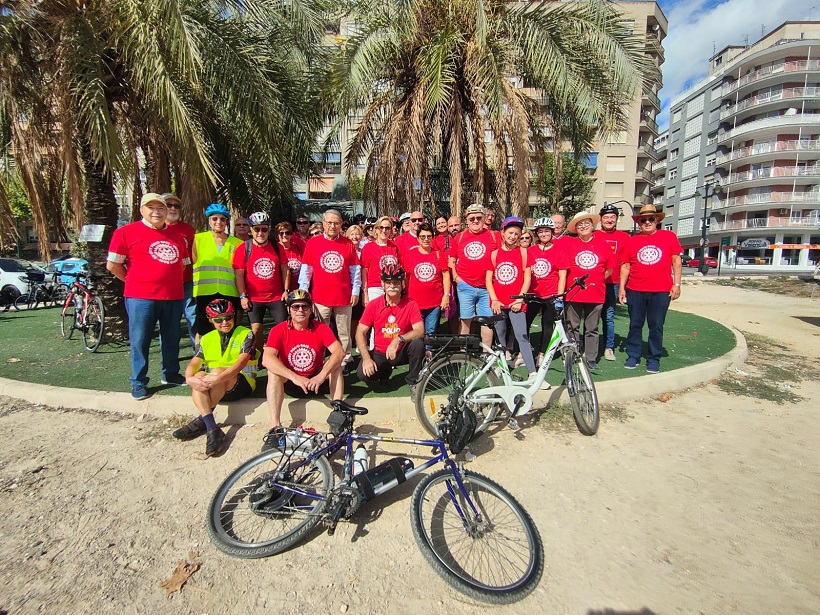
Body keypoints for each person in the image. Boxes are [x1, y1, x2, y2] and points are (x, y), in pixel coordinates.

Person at [106, 193, 190, 400]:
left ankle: (170, 374)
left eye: (161, 208)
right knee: (140, 339)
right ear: (142, 210)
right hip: (140, 297)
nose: (157, 212)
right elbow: (112, 265)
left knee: (171, 338)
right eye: (151, 208)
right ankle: (138, 381)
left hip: (172, 296)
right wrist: (133, 281)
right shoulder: (125, 232)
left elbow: (183, 264)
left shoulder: (177, 235)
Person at [173, 299, 258, 457]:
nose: (224, 322)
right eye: (218, 319)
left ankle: (202, 421)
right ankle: (212, 428)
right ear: (211, 320)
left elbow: (242, 362)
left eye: (228, 317)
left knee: (218, 372)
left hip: (242, 382)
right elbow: (194, 363)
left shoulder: (246, 333)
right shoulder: (206, 338)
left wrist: (218, 377)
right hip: (215, 384)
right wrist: (189, 378)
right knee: (198, 375)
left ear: (234, 316)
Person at [262, 290, 344, 452]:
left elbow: (339, 352)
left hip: (315, 379)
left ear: (311, 309)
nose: (300, 310)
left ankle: (337, 416)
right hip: (292, 381)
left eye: (305, 307)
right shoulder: (278, 330)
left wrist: (321, 376)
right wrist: (295, 378)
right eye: (295, 307)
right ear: (289, 309)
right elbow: (267, 359)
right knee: (273, 372)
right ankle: (275, 428)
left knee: (336, 366)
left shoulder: (321, 328)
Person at [619, 205, 683, 374]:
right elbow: (625, 266)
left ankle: (654, 358)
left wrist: (676, 284)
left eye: (651, 219)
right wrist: (621, 288)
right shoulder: (632, 241)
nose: (647, 222)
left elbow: (676, 261)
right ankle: (633, 355)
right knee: (635, 324)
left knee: (656, 325)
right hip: (635, 289)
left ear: (657, 221)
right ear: (639, 222)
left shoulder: (668, 237)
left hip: (661, 290)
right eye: (643, 220)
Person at [299, 209, 361, 373]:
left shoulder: (348, 244)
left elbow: (355, 271)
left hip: (344, 296)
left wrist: (355, 291)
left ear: (341, 224)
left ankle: (345, 359)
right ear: (323, 224)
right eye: (329, 223)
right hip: (319, 297)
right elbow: (306, 271)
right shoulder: (313, 243)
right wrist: (304, 293)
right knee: (319, 331)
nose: (332, 226)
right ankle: (320, 358)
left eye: (336, 223)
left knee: (344, 332)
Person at [557, 211, 615, 370]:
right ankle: (574, 353)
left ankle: (590, 357)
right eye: (579, 224)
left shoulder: (603, 243)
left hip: (596, 294)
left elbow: (610, 268)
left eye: (586, 223)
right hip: (573, 293)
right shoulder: (567, 242)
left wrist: (597, 279)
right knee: (572, 326)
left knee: (592, 328)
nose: (583, 227)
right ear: (575, 228)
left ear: (592, 225)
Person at [355, 265, 425, 397]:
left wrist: (398, 339)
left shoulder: (410, 303)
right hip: (381, 351)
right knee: (362, 374)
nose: (392, 286)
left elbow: (420, 330)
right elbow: (360, 332)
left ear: (402, 284)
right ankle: (384, 372)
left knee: (418, 344)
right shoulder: (374, 304)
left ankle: (414, 381)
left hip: (402, 350)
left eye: (396, 282)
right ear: (382, 284)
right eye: (388, 282)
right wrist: (366, 359)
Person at [486, 217, 540, 381]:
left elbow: (527, 279)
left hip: (517, 302)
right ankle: (502, 369)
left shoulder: (524, 253)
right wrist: (494, 299)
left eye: (517, 234)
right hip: (499, 302)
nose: (513, 236)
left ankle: (532, 372)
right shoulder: (494, 254)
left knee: (522, 336)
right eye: (510, 232)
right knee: (500, 336)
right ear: (503, 233)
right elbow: (489, 280)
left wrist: (520, 299)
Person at [233, 211, 290, 354]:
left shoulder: (277, 247)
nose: (260, 233)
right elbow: (239, 275)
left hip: (276, 296)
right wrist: (243, 296)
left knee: (282, 327)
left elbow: (285, 270)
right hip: (254, 298)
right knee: (256, 329)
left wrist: (286, 290)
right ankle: (259, 356)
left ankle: (281, 354)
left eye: (264, 229)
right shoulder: (244, 248)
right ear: (251, 230)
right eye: (256, 229)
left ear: (268, 229)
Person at [449, 203, 499, 348]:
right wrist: (457, 279)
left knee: (487, 322)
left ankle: (486, 354)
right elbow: (452, 261)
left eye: (478, 218)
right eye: (472, 218)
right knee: (465, 320)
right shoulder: (459, 237)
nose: (475, 221)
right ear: (467, 220)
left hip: (487, 287)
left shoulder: (494, 236)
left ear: (484, 219)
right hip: (466, 286)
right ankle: (463, 351)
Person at [192, 203, 243, 342]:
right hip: (204, 291)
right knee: (203, 328)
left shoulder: (237, 243)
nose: (218, 222)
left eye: (222, 219)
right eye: (214, 219)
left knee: (229, 328)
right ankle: (200, 359)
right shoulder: (198, 239)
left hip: (229, 291)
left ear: (227, 221)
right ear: (209, 220)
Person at [404, 223, 451, 338]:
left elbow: (446, 275)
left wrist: (446, 295)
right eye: (423, 236)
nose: (426, 239)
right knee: (416, 331)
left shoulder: (438, 254)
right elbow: (406, 277)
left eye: (429, 236)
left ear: (433, 237)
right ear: (418, 238)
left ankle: (429, 353)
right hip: (415, 302)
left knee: (431, 330)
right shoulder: (410, 254)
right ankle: (418, 353)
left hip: (434, 301)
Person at [162, 192, 196, 349]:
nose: (173, 208)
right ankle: (168, 361)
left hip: (187, 282)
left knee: (192, 318)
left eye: (176, 206)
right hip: (165, 286)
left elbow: (194, 256)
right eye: (169, 205)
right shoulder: (155, 229)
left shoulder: (188, 230)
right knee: (169, 322)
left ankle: (199, 355)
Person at [527, 217, 563, 367]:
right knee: (525, 322)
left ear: (552, 232)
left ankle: (542, 354)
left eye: (546, 231)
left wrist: (559, 297)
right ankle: (525, 351)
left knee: (547, 325)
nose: (543, 234)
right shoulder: (531, 250)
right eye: (540, 232)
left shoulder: (558, 250)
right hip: (534, 294)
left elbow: (562, 276)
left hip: (551, 294)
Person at [597, 203, 631, 361]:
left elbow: (627, 264)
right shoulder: (594, 235)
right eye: (606, 217)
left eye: (612, 217)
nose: (609, 220)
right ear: (601, 219)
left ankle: (608, 347)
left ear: (617, 219)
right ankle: (591, 347)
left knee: (608, 316)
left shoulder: (624, 237)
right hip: (596, 283)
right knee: (593, 317)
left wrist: (623, 288)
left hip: (614, 282)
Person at [361, 215, 401, 306]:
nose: (384, 230)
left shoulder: (394, 247)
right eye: (381, 227)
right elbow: (364, 272)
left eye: (387, 228)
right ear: (376, 229)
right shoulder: (368, 248)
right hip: (375, 288)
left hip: (392, 286)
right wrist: (365, 293)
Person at [277, 221, 302, 296]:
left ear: (291, 235)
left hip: (297, 289)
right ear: (277, 235)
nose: (284, 235)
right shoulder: (275, 248)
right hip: (281, 291)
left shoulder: (297, 247)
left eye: (287, 233)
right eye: (281, 233)